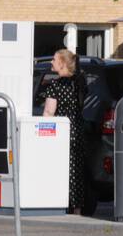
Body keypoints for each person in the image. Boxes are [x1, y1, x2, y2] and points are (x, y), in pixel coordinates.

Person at [38, 49, 90, 214]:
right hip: (77, 130)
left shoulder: (56, 85)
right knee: (77, 171)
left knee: (59, 170)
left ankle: (58, 204)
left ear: (62, 63)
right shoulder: (79, 83)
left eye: (54, 59)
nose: (51, 62)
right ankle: (78, 209)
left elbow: (49, 112)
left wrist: (41, 133)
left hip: (60, 133)